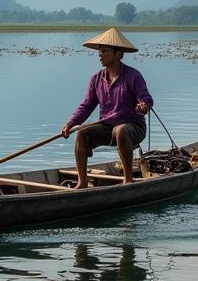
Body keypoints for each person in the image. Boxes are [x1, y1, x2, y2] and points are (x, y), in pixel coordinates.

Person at [61, 28, 153, 188]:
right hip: (107, 127)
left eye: (105, 51)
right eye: (99, 51)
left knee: (121, 130)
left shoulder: (133, 76)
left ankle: (128, 179)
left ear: (119, 54)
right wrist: (70, 124)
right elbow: (86, 105)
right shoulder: (96, 79)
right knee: (82, 132)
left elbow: (146, 99)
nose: (100, 55)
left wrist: (143, 106)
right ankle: (82, 182)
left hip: (133, 128)